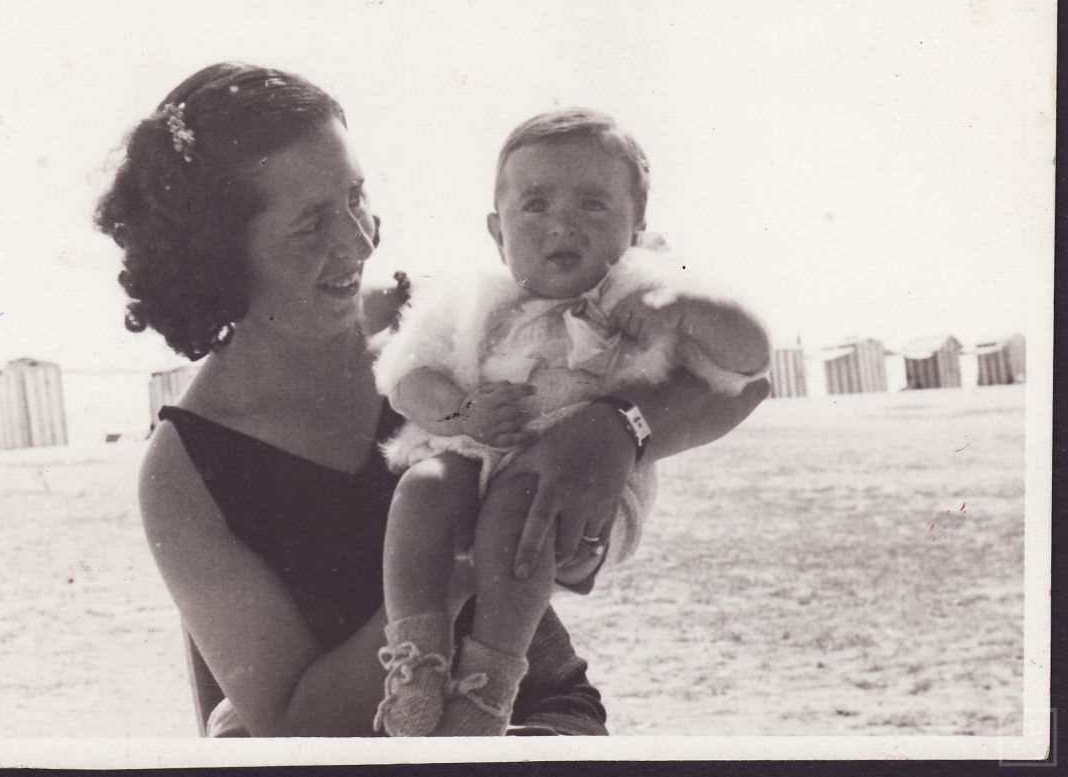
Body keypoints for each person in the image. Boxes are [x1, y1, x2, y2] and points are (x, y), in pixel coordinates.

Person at [94, 62, 769, 737]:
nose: (360, 240)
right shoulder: (186, 471)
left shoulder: (428, 319)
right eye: (312, 224)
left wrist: (616, 429)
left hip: (536, 715)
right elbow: (291, 727)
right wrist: (458, 570)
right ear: (219, 252)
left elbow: (745, 385)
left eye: (356, 197)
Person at [370, 108, 771, 735]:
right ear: (496, 231)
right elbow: (405, 376)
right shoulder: (471, 299)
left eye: (593, 204)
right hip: (476, 458)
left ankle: (488, 686)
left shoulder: (646, 296)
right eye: (534, 205)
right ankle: (417, 659)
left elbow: (750, 363)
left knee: (517, 510)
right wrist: (461, 412)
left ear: (637, 227)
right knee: (420, 490)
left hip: (590, 494)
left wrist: (686, 307)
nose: (562, 224)